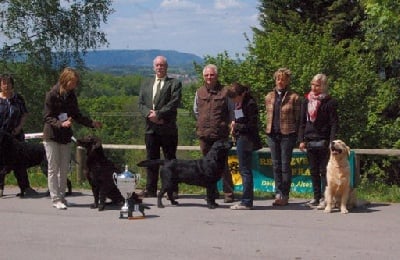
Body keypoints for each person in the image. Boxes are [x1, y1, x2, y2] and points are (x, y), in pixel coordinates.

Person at [43, 67, 102, 209]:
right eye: (73, 82)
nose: (75, 85)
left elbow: (76, 115)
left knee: (64, 168)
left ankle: (62, 197)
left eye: (76, 82)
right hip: (52, 136)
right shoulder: (51, 94)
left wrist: (91, 123)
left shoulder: (71, 95)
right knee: (53, 168)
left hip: (65, 136)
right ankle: (55, 198)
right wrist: (60, 123)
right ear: (65, 80)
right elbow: (47, 117)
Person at [138, 56, 182, 198]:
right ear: (153, 67)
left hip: (167, 129)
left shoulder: (174, 83)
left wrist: (158, 114)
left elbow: (173, 103)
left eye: (162, 65)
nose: (159, 68)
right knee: (151, 160)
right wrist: (149, 115)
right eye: (157, 65)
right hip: (150, 129)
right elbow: (140, 104)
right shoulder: (146, 83)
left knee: (170, 161)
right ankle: (150, 189)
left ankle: (172, 190)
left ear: (166, 67)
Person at [193, 64, 235, 204]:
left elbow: (231, 111)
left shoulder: (225, 91)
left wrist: (230, 126)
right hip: (204, 135)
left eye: (212, 75)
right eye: (206, 75)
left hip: (220, 135)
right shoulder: (199, 92)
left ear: (216, 76)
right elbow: (196, 111)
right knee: (206, 167)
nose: (209, 77)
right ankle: (212, 193)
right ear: (203, 77)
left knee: (223, 165)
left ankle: (228, 193)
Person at [298, 73, 339, 207]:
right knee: (313, 170)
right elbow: (302, 122)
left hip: (324, 140)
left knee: (324, 171)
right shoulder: (306, 101)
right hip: (309, 139)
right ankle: (316, 197)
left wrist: (332, 141)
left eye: (317, 85)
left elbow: (334, 123)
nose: (314, 87)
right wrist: (301, 139)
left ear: (323, 86)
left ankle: (325, 198)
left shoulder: (329, 102)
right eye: (313, 84)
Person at [265, 68, 300, 206]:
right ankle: (278, 193)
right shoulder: (269, 97)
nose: (280, 81)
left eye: (283, 79)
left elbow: (298, 119)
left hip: (287, 134)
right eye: (278, 78)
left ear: (287, 81)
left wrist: (297, 136)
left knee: (285, 166)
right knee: (276, 165)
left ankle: (285, 194)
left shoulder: (294, 97)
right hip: (272, 134)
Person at [0, 74, 37, 198]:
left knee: (19, 163)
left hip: (15, 135)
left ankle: (25, 187)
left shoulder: (18, 99)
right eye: (4, 83)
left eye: (9, 83)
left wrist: (19, 127)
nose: (6, 86)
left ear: (12, 85)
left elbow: (24, 114)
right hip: (1, 138)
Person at [227, 82, 262, 210]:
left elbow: (252, 125)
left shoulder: (250, 104)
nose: (234, 100)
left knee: (245, 170)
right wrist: (234, 124)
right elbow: (239, 119)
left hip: (247, 139)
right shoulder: (239, 103)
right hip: (241, 137)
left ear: (241, 94)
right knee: (243, 169)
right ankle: (245, 199)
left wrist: (237, 126)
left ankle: (247, 201)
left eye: (235, 97)